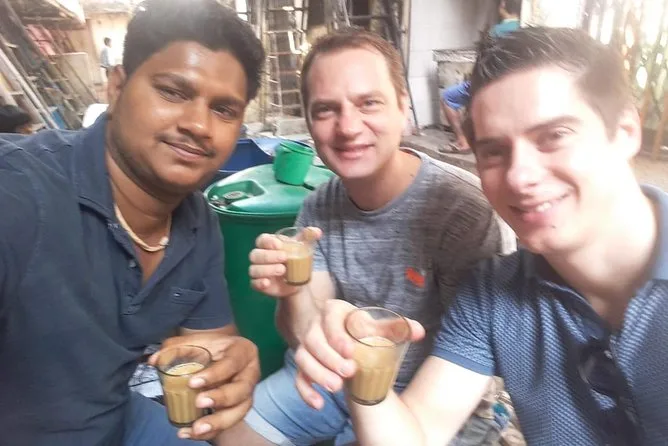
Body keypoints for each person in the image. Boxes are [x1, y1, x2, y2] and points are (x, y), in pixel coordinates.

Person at [295, 26, 668, 445]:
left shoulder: (460, 216)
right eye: (494, 152)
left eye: (553, 137)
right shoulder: (493, 295)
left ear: (626, 131)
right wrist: (362, 356)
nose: (520, 177)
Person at [219, 28, 515, 446]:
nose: (347, 127)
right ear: (308, 123)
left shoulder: (462, 212)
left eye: (368, 103)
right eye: (326, 109)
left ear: (403, 107)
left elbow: (470, 363)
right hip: (335, 378)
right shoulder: (318, 207)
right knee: (229, 431)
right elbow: (304, 333)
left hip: (429, 400)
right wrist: (292, 291)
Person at [0, 0, 265, 445]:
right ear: (117, 86)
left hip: (119, 420)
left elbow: (211, 357)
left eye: (224, 109)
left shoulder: (197, 221)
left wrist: (232, 372)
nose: (199, 125)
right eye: (173, 92)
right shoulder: (18, 193)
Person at [439, 0, 520, 154]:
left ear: (503, 6)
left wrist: (474, 77)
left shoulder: (497, 31)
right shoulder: (523, 29)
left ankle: (463, 141)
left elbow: (484, 59)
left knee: (448, 98)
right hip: (512, 84)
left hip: (490, 81)